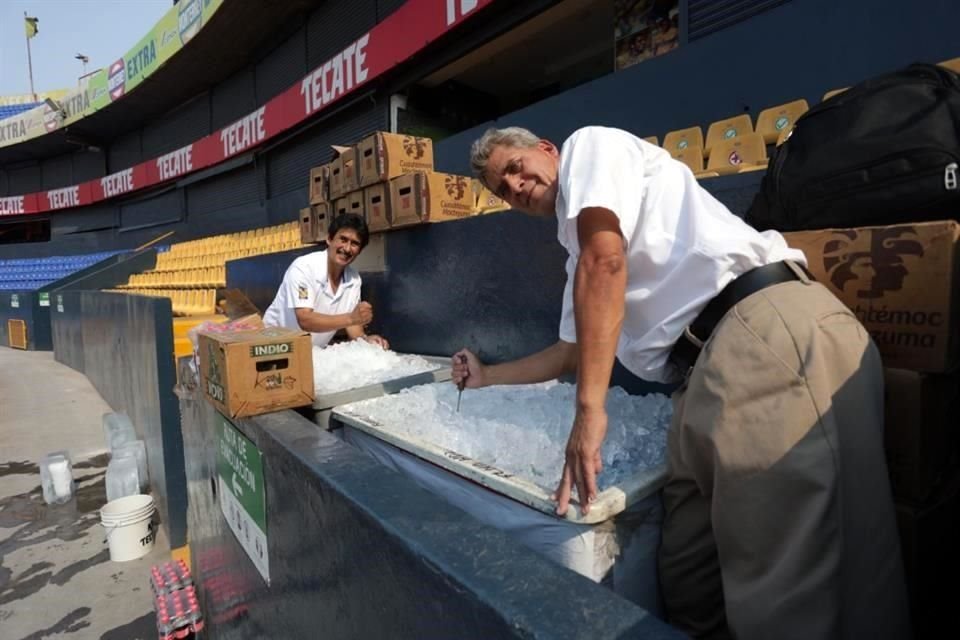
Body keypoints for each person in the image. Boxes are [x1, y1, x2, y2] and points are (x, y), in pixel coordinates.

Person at [453, 126, 909, 639]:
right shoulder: (576, 253)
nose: (513, 186)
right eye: (500, 189)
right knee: (688, 580)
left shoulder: (590, 147)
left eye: (514, 167)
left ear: (546, 150)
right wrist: (487, 377)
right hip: (701, 380)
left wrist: (589, 412)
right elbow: (567, 353)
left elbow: (608, 261)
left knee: (786, 599)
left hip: (759, 337)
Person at [264, 212, 389, 349]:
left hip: (311, 351)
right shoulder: (304, 268)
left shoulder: (353, 279)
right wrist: (352, 318)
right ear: (329, 239)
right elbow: (305, 320)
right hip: (273, 347)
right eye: (343, 239)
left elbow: (353, 326)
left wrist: (366, 340)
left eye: (354, 243)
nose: (347, 248)